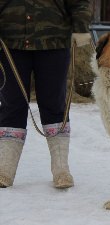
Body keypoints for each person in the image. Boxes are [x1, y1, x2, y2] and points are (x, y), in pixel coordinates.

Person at [0, 0, 91, 188]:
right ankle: (4, 169)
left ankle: (61, 169)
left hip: (54, 40)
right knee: (11, 104)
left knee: (54, 104)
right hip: (10, 41)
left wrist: (80, 25)